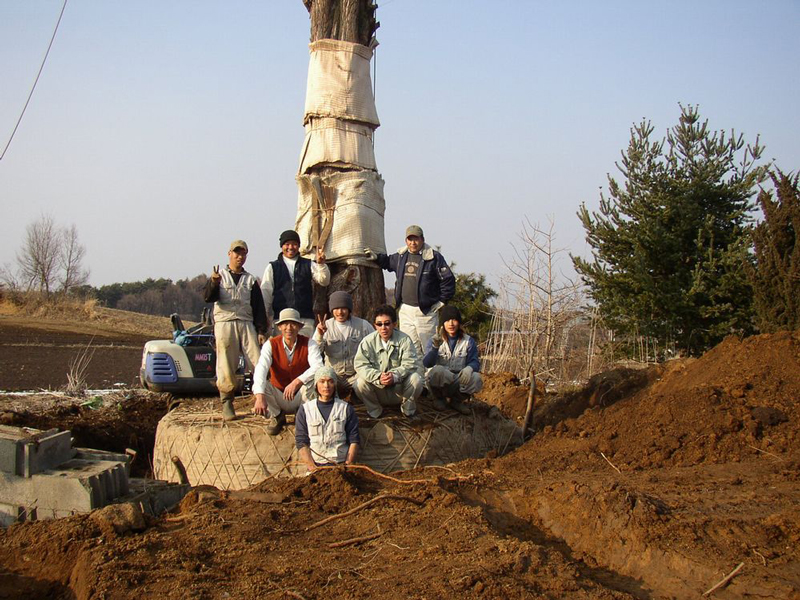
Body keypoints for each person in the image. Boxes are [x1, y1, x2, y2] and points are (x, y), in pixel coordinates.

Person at [203, 240, 268, 421]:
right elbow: (208, 297)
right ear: (229, 254)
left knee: (258, 360)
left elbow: (258, 307)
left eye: (243, 254)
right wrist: (214, 283)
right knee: (225, 362)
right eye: (236, 253)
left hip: (246, 322)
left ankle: (263, 398)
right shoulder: (219, 276)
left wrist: (261, 330)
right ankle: (227, 402)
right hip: (225, 323)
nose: (240, 257)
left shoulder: (250, 280)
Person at [368, 225, 455, 356]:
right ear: (406, 241)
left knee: (429, 348)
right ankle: (416, 375)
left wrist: (442, 300)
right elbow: (387, 262)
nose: (413, 243)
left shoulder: (433, 257)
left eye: (416, 239)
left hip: (425, 311)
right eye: (410, 239)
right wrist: (376, 257)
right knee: (410, 348)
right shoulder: (401, 256)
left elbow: (448, 279)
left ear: (422, 239)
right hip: (405, 310)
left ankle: (431, 375)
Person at [252, 308, 323, 435]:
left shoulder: (309, 343)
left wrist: (297, 381)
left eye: (293, 324)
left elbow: (318, 366)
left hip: (300, 395)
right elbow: (261, 368)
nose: (289, 328)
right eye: (285, 324)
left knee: (314, 381)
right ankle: (277, 416)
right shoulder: (271, 344)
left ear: (299, 327)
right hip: (279, 394)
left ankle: (302, 414)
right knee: (263, 386)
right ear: (279, 327)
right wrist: (259, 396)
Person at [353, 304, 423, 420]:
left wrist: (394, 376)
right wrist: (378, 376)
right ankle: (375, 411)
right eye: (379, 324)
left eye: (387, 323)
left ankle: (408, 410)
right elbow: (360, 365)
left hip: (399, 390)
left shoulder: (404, 340)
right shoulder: (367, 342)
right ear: (375, 325)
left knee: (416, 379)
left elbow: (410, 363)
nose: (383, 328)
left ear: (394, 324)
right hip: (377, 389)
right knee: (359, 383)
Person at [261, 229, 330, 336]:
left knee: (305, 351)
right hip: (281, 320)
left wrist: (321, 264)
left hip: (304, 319)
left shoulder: (308, 264)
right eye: (287, 244)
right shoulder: (273, 267)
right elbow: (266, 294)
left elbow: (324, 281)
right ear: (281, 246)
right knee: (282, 352)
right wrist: (264, 318)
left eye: (294, 244)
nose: (290, 247)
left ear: (298, 246)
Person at [295, 366, 360, 472]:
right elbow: (301, 441)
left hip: (340, 466)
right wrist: (312, 467)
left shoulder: (346, 408)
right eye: (322, 381)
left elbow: (354, 440)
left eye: (330, 381)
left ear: (335, 384)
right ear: (316, 384)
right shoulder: (305, 410)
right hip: (316, 467)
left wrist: (347, 465)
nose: (326, 385)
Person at [422, 305, 483, 415]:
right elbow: (427, 363)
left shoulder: (468, 341)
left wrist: (469, 368)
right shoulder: (435, 339)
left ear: (459, 322)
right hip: (441, 381)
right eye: (447, 320)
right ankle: (439, 399)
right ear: (443, 323)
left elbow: (475, 362)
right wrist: (435, 347)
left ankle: (456, 401)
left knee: (476, 378)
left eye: (454, 320)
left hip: (458, 380)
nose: (451, 324)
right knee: (437, 371)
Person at [313, 291, 374, 401]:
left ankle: (358, 397)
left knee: (365, 382)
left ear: (349, 309)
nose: (340, 312)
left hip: (356, 374)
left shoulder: (363, 325)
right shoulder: (324, 326)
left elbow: (375, 346)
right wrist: (320, 335)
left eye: (344, 308)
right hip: (333, 376)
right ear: (332, 310)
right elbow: (315, 352)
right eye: (336, 308)